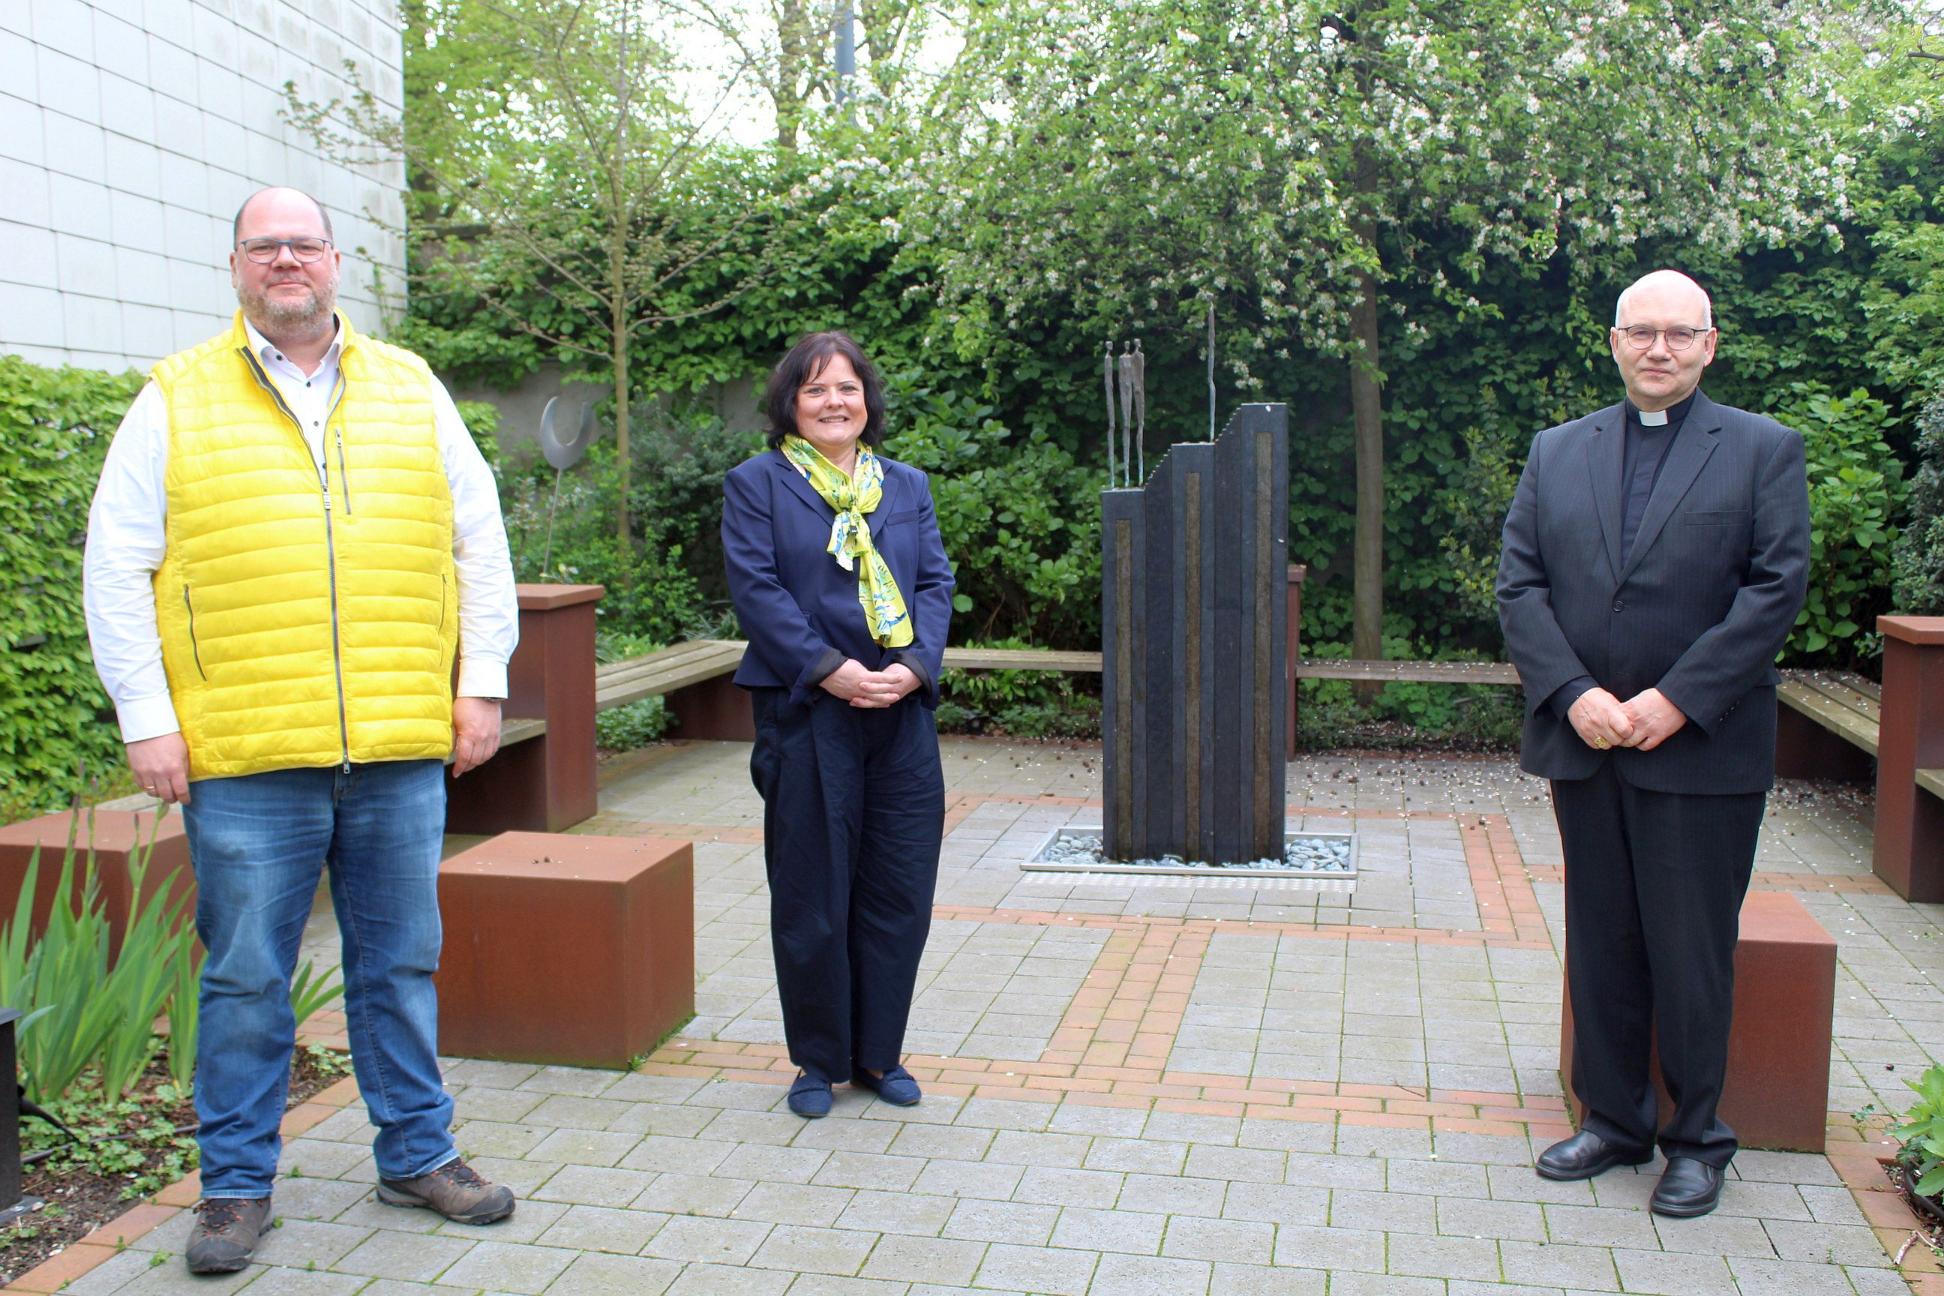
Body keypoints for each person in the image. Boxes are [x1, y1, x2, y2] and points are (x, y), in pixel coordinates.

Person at [83, 187, 521, 1273]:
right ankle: (233, 1189)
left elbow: (479, 542)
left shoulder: (411, 387)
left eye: (304, 245)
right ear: (236, 266)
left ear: (336, 262)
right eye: (264, 246)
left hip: (394, 744)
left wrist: (482, 683)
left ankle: (418, 1154)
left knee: (400, 963)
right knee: (242, 977)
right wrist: (148, 719)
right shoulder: (173, 399)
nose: (287, 261)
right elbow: (116, 568)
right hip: (244, 752)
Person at [1496, 269, 1810, 1218]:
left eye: (1679, 334)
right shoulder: (1557, 452)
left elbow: (1774, 590)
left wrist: (1676, 699)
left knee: (1691, 948)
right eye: (1642, 333)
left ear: (1710, 346)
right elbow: (1521, 586)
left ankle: (1698, 1139)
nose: (1659, 350)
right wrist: (1572, 690)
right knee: (1602, 940)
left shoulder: (1763, 450)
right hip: (1587, 742)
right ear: (1614, 341)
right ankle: (1615, 1122)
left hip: (1701, 751)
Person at [720, 331, 955, 1118]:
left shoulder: (907, 486)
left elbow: (933, 581)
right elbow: (756, 590)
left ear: (867, 402)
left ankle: (878, 1056)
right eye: (816, 389)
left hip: (900, 712)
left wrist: (916, 666)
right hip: (807, 710)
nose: (834, 402)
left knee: (898, 889)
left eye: (847, 389)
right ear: (791, 403)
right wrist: (829, 668)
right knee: (813, 892)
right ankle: (817, 1061)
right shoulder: (757, 485)